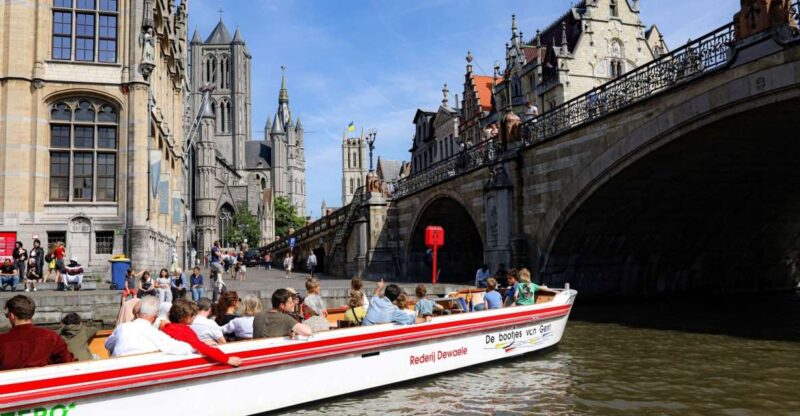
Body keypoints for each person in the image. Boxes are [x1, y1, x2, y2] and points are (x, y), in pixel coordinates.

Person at [0, 295, 74, 369]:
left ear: (12, 316)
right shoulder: (51, 336)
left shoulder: (2, 341)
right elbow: (67, 361)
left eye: (7, 315)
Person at [104, 296, 193, 357]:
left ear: (139, 313)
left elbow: (107, 344)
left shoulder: (122, 327)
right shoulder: (155, 334)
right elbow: (182, 348)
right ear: (154, 316)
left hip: (119, 370)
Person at [162, 299, 242, 367]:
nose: (194, 317)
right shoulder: (185, 331)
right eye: (192, 315)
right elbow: (203, 348)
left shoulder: (166, 328)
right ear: (183, 317)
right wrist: (226, 359)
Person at [362, 280, 430, 326]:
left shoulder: (374, 300)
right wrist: (426, 319)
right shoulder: (394, 310)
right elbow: (413, 320)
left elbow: (375, 294)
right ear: (395, 299)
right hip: (374, 336)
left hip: (362, 329)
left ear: (385, 293)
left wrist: (380, 287)